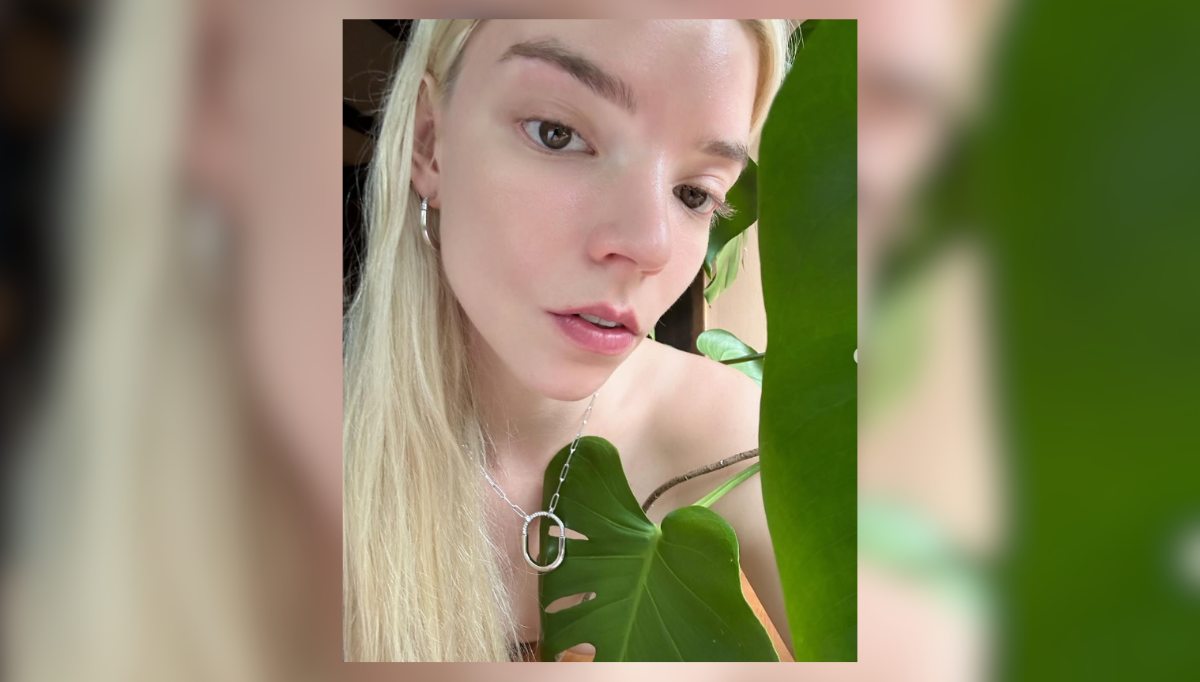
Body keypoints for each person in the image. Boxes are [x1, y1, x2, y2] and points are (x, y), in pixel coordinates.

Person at [342, 19, 800, 662]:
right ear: (429, 143)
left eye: (695, 193)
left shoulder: (734, 442)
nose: (649, 245)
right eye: (557, 134)